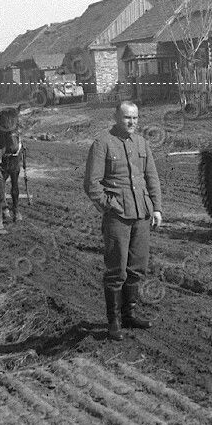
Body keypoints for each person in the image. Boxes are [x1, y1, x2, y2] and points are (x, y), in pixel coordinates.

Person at [84, 101, 162, 341]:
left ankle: (129, 314)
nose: (132, 122)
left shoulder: (142, 143)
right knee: (116, 269)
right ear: (116, 116)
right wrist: (110, 206)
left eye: (136, 118)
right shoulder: (102, 143)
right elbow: (91, 184)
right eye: (127, 117)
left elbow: (152, 178)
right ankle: (114, 321)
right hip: (118, 217)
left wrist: (156, 209)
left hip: (141, 214)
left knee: (137, 267)